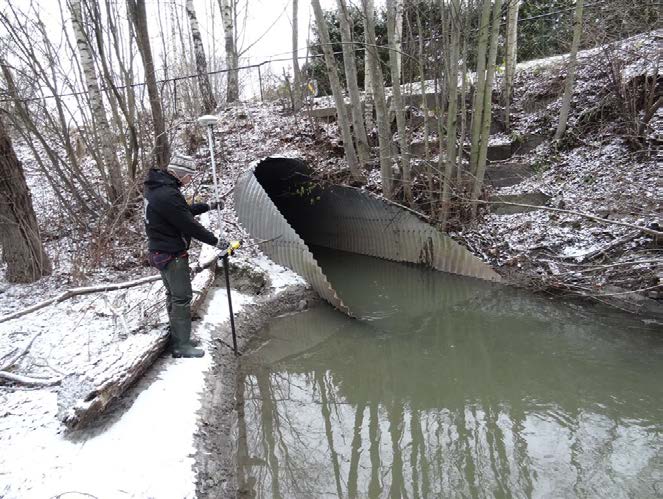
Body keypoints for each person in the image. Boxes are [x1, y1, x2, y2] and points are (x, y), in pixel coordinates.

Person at [143, 153, 226, 358]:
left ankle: (179, 337)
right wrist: (216, 242)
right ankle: (182, 345)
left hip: (159, 249)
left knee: (173, 295)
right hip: (171, 254)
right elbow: (187, 223)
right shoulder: (168, 194)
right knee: (182, 298)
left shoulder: (158, 189)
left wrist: (208, 206)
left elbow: (182, 211)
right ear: (180, 174)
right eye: (189, 176)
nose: (190, 180)